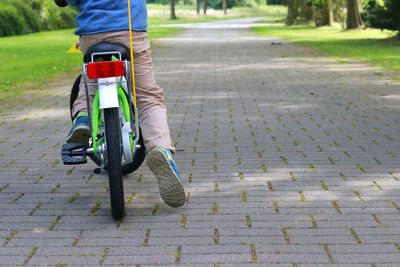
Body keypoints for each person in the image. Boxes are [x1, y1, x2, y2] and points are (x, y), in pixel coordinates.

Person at [63, 0, 185, 208]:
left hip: (92, 34)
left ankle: (83, 119)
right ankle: (160, 149)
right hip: (130, 31)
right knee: (148, 97)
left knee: (89, 86)